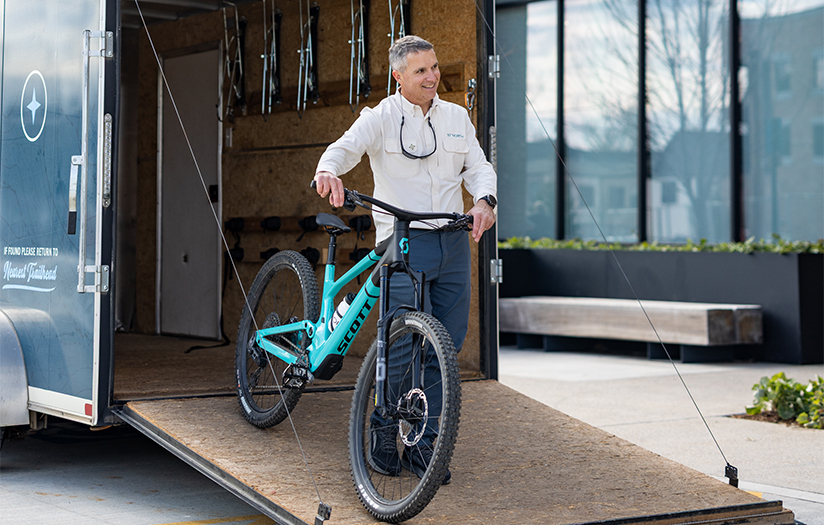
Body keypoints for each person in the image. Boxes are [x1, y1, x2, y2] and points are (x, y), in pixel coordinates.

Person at [313, 35, 497, 485]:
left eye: (434, 68)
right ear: (398, 76)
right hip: (403, 242)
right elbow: (345, 147)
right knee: (400, 347)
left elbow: (478, 167)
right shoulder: (379, 118)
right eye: (421, 71)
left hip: (452, 241)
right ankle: (382, 430)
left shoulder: (456, 117)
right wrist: (328, 170)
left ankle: (424, 443)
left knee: (445, 347)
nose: (432, 76)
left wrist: (485, 201)